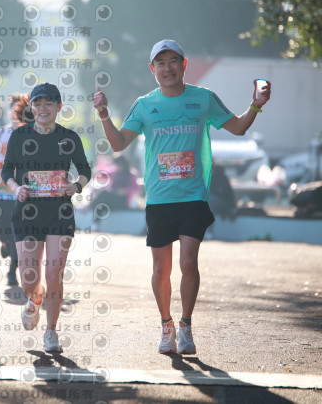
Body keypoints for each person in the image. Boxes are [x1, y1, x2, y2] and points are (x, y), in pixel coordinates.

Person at [93, 39, 271, 354]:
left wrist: (256, 104)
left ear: (184, 65)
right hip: (159, 199)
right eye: (161, 63)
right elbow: (119, 144)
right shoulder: (144, 104)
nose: (168, 68)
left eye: (173, 61)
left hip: (193, 196)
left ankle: (186, 325)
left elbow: (238, 128)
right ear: (152, 69)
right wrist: (104, 115)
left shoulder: (203, 99)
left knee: (188, 262)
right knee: (161, 270)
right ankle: (166, 325)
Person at [1, 83, 91, 352]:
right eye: (37, 103)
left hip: (59, 213)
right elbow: (6, 171)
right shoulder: (19, 136)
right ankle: (35, 299)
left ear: (58, 107)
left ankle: (51, 332)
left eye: (48, 103)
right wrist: (16, 189)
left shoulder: (69, 137)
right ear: (32, 107)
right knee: (29, 279)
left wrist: (75, 186)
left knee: (54, 274)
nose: (42, 108)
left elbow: (85, 170)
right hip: (27, 212)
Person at [0, 94, 31, 286]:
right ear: (10, 111)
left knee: (18, 235)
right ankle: (4, 242)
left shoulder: (32, 135)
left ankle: (12, 271)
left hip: (22, 195)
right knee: (3, 231)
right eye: (15, 108)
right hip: (0, 193)